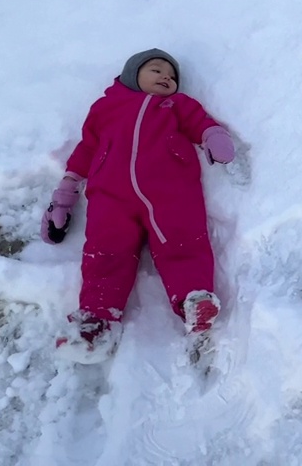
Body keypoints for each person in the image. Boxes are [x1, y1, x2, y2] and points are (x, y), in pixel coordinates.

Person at [40, 48, 237, 362]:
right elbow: (87, 147)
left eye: (171, 76)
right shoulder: (106, 108)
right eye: (156, 70)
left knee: (183, 240)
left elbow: (199, 121)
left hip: (171, 191)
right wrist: (65, 194)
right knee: (105, 253)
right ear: (133, 74)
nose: (165, 78)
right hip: (110, 197)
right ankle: (97, 321)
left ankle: (193, 299)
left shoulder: (177, 104)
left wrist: (213, 134)